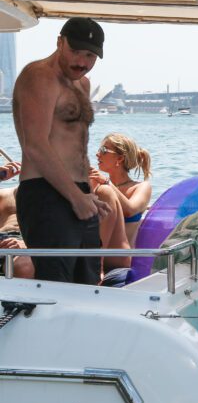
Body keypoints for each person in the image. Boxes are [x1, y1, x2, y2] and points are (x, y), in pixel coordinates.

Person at [12, 17, 110, 284]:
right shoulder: (39, 76)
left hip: (80, 192)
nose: (81, 61)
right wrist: (75, 198)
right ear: (59, 42)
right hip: (45, 193)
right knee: (56, 286)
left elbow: (75, 144)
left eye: (90, 55)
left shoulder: (83, 84)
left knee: (90, 284)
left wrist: (87, 192)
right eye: (75, 51)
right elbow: (36, 145)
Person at [90, 133, 153, 247]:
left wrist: (106, 183)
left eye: (103, 150)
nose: (97, 154)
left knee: (105, 191)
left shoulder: (142, 187)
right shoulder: (99, 185)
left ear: (120, 158)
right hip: (97, 250)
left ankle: (97, 261)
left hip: (120, 254)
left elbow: (130, 210)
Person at [0, 187, 34, 279]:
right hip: (4, 238)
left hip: (32, 241)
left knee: (25, 267)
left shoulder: (57, 194)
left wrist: (28, 245)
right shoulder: (4, 194)